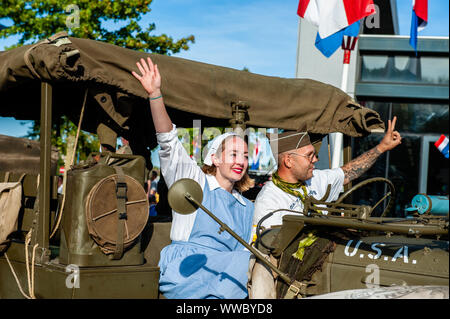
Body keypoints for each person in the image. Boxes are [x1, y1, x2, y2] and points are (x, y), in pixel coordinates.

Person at [132, 57, 255, 299]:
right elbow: (168, 142)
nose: (240, 161)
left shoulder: (246, 206)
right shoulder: (194, 182)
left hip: (226, 279)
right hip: (188, 270)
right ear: (215, 159)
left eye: (245, 155)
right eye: (233, 154)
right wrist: (155, 94)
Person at [250, 117, 402, 298]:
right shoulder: (269, 200)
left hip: (327, 262)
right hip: (298, 279)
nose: (315, 159)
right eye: (309, 155)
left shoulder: (314, 180)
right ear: (289, 161)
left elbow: (348, 172)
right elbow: (272, 254)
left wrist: (381, 147)